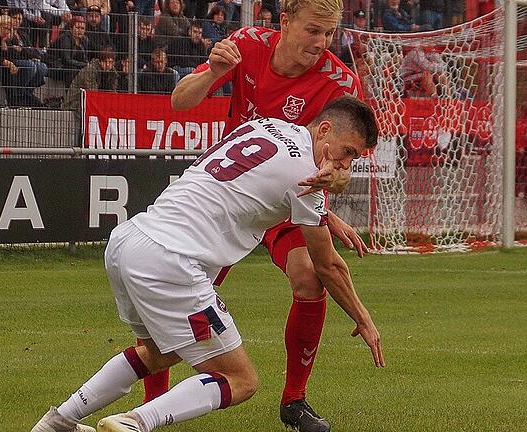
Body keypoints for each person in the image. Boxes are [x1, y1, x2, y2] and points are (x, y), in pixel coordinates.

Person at [30, 96, 384, 432]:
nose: (343, 164)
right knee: (241, 380)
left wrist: (327, 200)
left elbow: (264, 180)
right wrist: (364, 319)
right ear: (324, 130)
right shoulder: (307, 177)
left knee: (156, 352)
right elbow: (328, 267)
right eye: (346, 152)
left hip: (130, 241)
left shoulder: (267, 126)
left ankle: (57, 421)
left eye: (353, 159)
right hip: (172, 261)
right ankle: (134, 423)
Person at [169, 1, 367, 431]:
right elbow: (180, 102)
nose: (321, 43)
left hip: (290, 201)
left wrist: (331, 189)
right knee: (176, 292)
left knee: (311, 276)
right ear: (284, 22)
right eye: (313, 31)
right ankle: (149, 405)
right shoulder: (246, 45)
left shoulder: (339, 82)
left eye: (329, 34)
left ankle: (294, 400)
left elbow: (339, 168)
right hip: (230, 198)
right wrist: (212, 71)